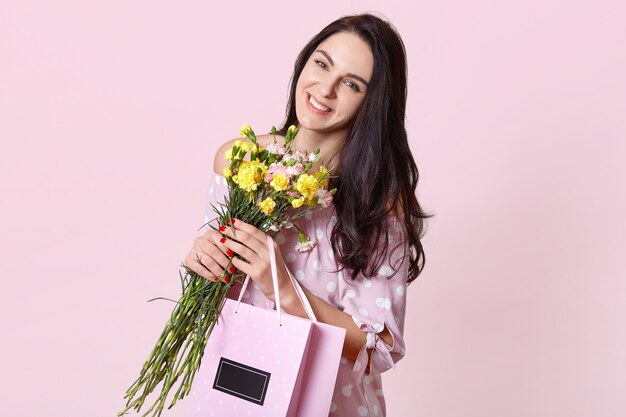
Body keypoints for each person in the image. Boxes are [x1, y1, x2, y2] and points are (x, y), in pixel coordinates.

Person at [184, 13, 429, 417]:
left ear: (372, 102)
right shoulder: (240, 160)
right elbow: (213, 302)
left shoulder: (379, 200)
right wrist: (202, 264)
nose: (325, 89)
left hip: (334, 406)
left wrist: (280, 285)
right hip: (238, 397)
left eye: (351, 84)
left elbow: (379, 347)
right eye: (321, 63)